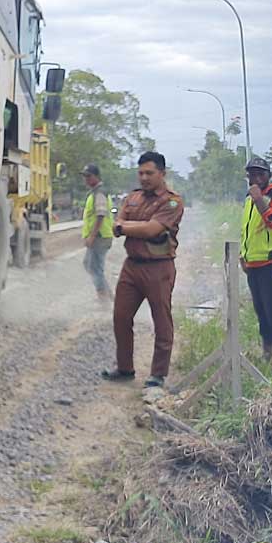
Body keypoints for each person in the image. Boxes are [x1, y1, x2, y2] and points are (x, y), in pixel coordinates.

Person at [101, 151, 185, 388]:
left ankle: (158, 374)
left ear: (162, 173)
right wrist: (131, 226)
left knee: (161, 320)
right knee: (120, 317)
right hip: (132, 266)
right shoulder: (133, 197)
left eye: (149, 173)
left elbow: (152, 230)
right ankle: (125, 368)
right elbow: (117, 223)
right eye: (141, 173)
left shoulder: (172, 201)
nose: (144, 178)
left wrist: (126, 227)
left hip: (159, 268)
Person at [240, 156, 272, 360]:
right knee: (260, 310)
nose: (256, 178)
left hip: (271, 262)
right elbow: (247, 230)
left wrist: (260, 199)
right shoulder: (249, 199)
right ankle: (268, 350)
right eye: (252, 174)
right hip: (253, 263)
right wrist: (244, 255)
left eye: (260, 174)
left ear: (268, 175)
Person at [80, 163, 114, 299]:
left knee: (94, 267)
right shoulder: (95, 193)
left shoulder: (99, 193)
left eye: (89, 176)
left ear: (96, 177)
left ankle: (104, 296)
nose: (86, 179)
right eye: (84, 177)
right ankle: (107, 293)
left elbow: (100, 215)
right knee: (89, 265)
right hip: (99, 236)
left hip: (100, 237)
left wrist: (92, 236)